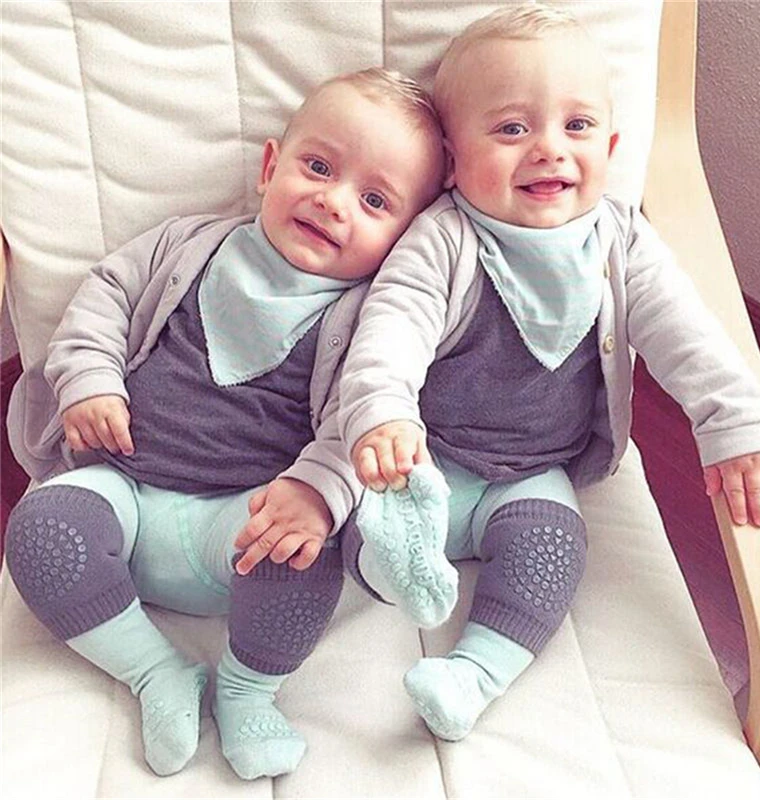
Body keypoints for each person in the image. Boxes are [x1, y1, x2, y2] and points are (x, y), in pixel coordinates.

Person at [336, 6, 760, 743]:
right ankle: (396, 562)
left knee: (556, 549)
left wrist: (738, 425)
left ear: (610, 148)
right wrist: (383, 416)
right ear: (453, 160)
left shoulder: (621, 241)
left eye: (576, 126)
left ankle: (474, 673)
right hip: (428, 462)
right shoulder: (443, 240)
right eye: (512, 129)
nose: (549, 149)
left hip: (534, 473)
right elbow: (389, 333)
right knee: (355, 522)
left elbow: (692, 338)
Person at [5, 67, 445, 780]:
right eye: (318, 167)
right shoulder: (187, 244)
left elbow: (361, 417)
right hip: (122, 487)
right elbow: (106, 296)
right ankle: (156, 671)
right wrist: (90, 380)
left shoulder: (373, 319)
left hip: (239, 528)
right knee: (40, 530)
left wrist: (316, 494)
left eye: (373, 200)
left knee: (306, 554)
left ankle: (247, 689)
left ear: (406, 238)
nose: (332, 201)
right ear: (270, 168)